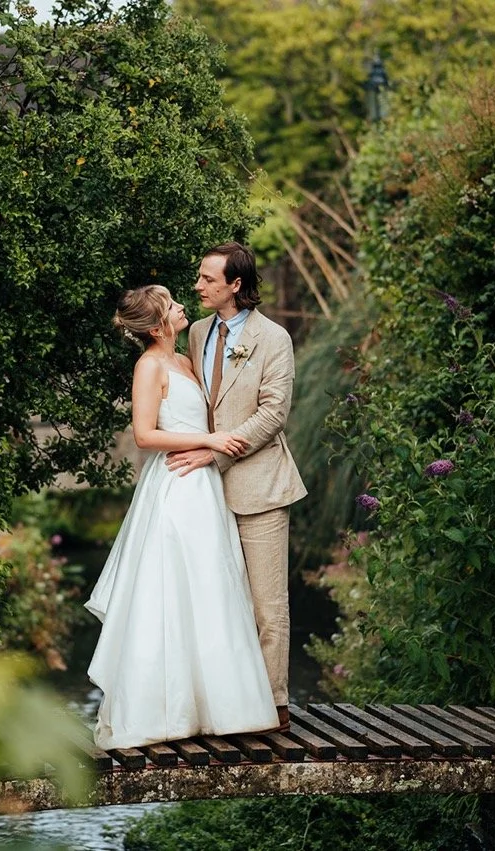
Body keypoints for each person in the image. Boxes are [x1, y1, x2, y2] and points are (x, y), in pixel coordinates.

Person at [85, 285, 279, 750]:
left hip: (204, 487)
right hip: (174, 487)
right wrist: (210, 442)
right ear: (157, 327)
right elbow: (145, 434)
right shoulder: (149, 366)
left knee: (213, 585)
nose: (181, 307)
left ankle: (220, 708)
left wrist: (212, 446)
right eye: (172, 306)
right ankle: (165, 709)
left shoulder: (186, 362)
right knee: (172, 589)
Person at [166, 242, 307, 732]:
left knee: (268, 606)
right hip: (203, 491)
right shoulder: (198, 333)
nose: (198, 286)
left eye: (207, 279)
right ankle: (227, 707)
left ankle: (273, 707)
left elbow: (273, 413)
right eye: (200, 278)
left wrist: (216, 451)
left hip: (260, 484)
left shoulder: (275, 339)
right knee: (219, 602)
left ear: (235, 285)